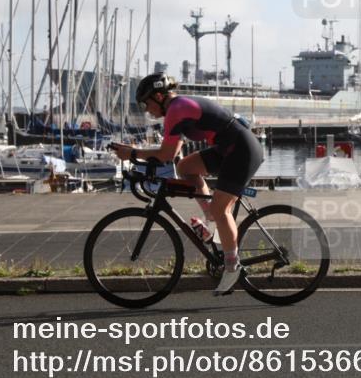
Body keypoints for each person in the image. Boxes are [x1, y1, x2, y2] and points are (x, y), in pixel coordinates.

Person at [110, 72, 264, 295]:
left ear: (160, 96)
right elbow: (174, 157)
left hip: (241, 151)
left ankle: (232, 266)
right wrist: (137, 155)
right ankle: (211, 220)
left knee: (221, 209)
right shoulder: (176, 108)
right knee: (185, 168)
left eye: (146, 103)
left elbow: (166, 153)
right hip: (227, 148)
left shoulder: (177, 110)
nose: (146, 110)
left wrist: (132, 153)